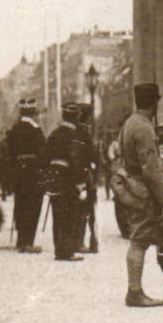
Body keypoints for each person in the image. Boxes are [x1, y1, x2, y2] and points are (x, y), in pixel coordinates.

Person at [113, 83, 163, 307]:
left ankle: (135, 290)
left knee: (137, 238)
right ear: (154, 103)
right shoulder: (144, 127)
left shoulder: (129, 123)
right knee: (139, 241)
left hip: (131, 187)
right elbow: (151, 169)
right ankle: (135, 292)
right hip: (142, 190)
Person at [44, 103, 96, 261]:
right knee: (70, 214)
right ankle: (67, 251)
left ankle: (59, 250)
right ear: (76, 117)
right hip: (69, 178)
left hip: (55, 178)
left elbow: (45, 157)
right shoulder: (74, 136)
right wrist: (80, 181)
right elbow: (76, 160)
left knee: (58, 214)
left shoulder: (54, 134)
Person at [3, 98, 47, 253]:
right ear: (33, 113)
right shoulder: (36, 130)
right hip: (33, 172)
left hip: (18, 172)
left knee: (20, 205)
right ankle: (28, 242)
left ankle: (21, 240)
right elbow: (43, 153)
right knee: (33, 206)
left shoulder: (14, 129)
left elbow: (9, 152)